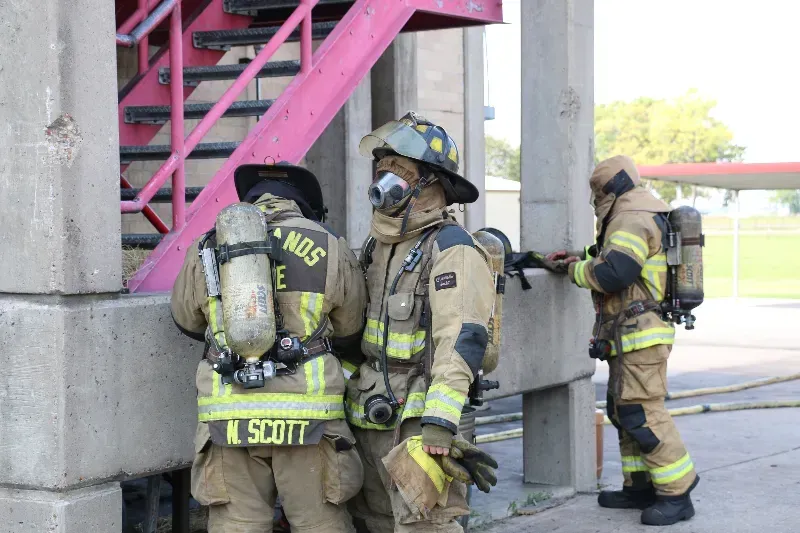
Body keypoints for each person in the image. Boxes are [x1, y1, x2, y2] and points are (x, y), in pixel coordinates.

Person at [171, 162, 367, 533]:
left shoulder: (209, 243)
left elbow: (186, 318)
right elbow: (350, 324)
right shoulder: (329, 243)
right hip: (308, 418)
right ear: (306, 205)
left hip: (230, 416)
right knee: (320, 524)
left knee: (237, 525)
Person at [346, 111, 498, 533]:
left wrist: (440, 423)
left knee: (424, 525)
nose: (384, 181)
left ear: (432, 184)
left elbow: (461, 339)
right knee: (373, 522)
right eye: (382, 169)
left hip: (419, 425)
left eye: (399, 171)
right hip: (369, 416)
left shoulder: (452, 249)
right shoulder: (377, 247)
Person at [546, 155, 698, 526]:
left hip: (640, 335)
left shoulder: (630, 216)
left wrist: (573, 269)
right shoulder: (640, 211)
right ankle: (640, 486)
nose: (596, 200)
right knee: (622, 410)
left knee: (642, 412)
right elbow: (621, 257)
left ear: (608, 190)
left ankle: (677, 491)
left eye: (597, 193)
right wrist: (582, 256)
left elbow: (616, 272)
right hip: (630, 335)